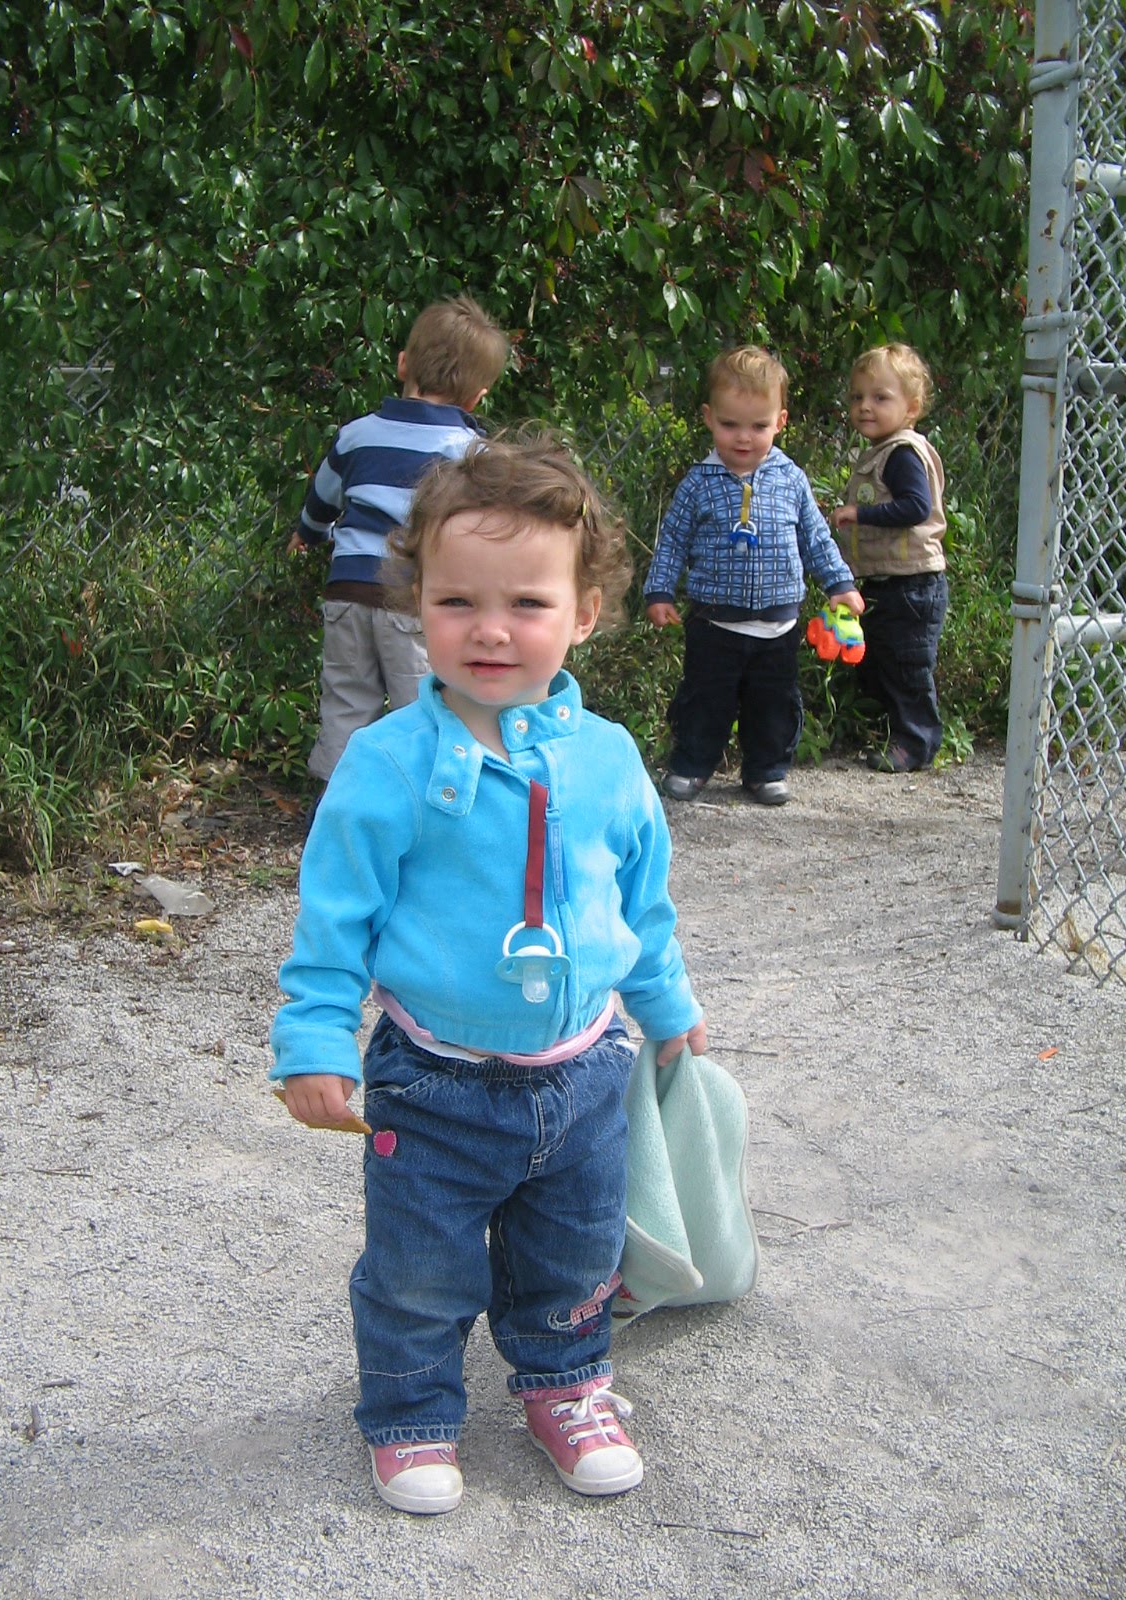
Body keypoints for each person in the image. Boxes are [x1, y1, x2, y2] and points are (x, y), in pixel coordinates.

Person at [270, 432, 707, 1517]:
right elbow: (334, 923)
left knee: (575, 1253)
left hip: (587, 1070)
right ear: (418, 603)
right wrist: (315, 1039)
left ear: (585, 613)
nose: (493, 629)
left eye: (528, 603)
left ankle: (567, 1382)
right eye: (459, 601)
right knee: (419, 1267)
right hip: (435, 1079)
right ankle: (413, 1409)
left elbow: (640, 903)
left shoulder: (607, 758)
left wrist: (665, 1004)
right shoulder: (387, 763)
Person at [290, 295, 509, 797]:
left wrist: (308, 534)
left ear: (403, 364)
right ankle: (421, 807)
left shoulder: (356, 435)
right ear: (478, 396)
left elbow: (322, 498)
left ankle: (336, 807)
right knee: (423, 706)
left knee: (346, 702)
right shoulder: (472, 455)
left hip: (347, 592)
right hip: (411, 598)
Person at [644, 346, 863, 806]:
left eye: (759, 426)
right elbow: (673, 541)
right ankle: (693, 764)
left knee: (774, 703)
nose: (744, 437)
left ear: (780, 422)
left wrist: (840, 584)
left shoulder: (790, 479)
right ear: (708, 418)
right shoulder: (698, 482)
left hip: (778, 623)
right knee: (706, 699)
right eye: (730, 425)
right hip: (713, 622)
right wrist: (660, 590)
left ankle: (765, 770)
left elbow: (817, 538)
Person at [830, 342, 947, 773]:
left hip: (913, 582)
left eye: (880, 398)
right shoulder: (883, 451)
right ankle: (898, 730)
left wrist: (861, 514)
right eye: (857, 397)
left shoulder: (902, 454)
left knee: (907, 663)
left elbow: (915, 507)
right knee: (883, 659)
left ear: (912, 406)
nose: (865, 407)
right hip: (891, 580)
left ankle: (916, 741)